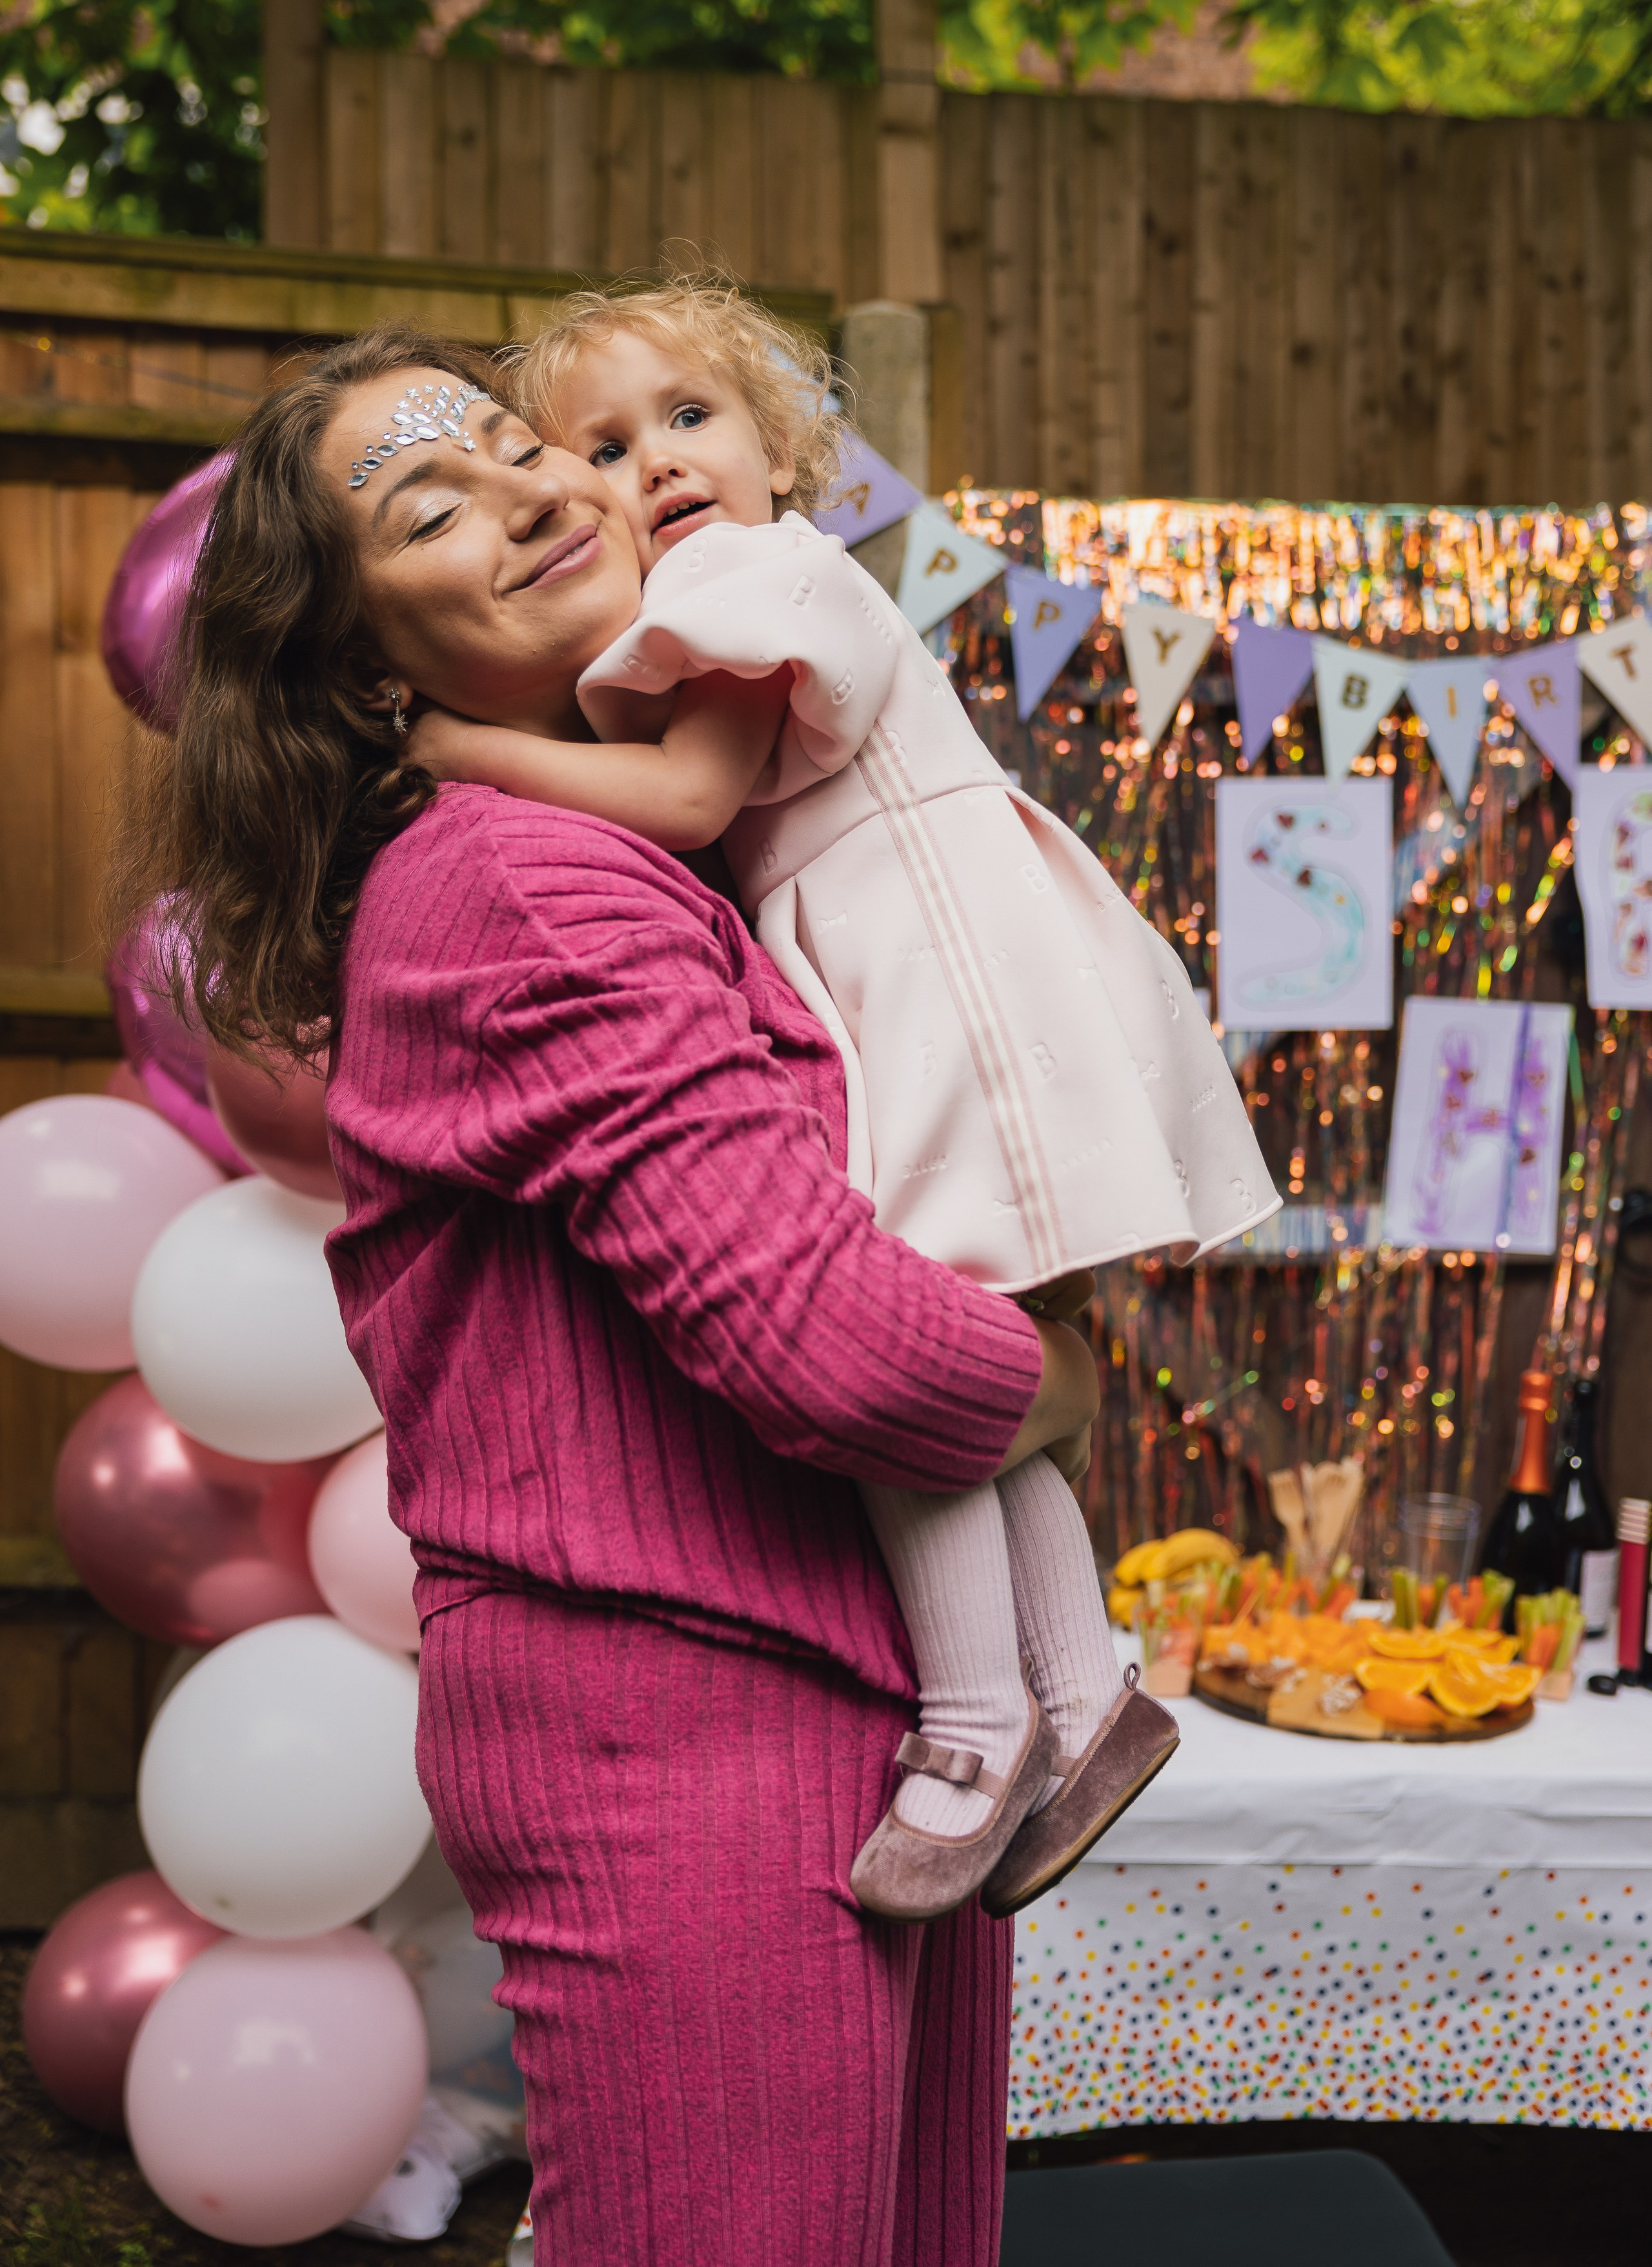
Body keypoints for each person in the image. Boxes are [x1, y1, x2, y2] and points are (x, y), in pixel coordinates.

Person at [115, 322, 1103, 2267]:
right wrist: (1059, 1377)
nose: (533, 493)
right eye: (430, 507)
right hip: (689, 1733)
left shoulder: (665, 842)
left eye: (513, 446)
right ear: (358, 667)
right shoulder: (516, 888)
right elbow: (835, 1343)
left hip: (849, 1704)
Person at [399, 278, 1281, 1922]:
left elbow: (681, 797)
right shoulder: (736, 589)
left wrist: (462, 747)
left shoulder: (754, 571)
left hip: (928, 973)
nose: (656, 461)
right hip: (897, 966)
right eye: (602, 444)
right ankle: (1077, 1695)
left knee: (902, 1361)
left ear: (777, 445)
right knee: (956, 1336)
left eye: (689, 417)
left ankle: (976, 1718)